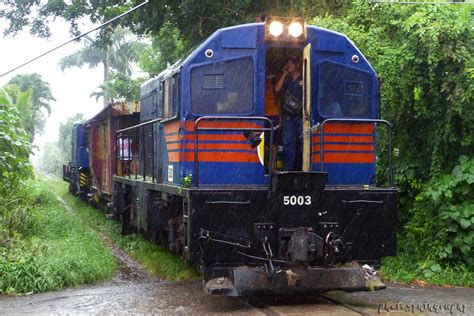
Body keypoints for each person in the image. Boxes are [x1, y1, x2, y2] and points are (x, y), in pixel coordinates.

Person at [274, 56, 303, 171]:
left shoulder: (305, 76)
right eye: (288, 63)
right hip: (288, 116)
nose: (289, 65)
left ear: (298, 65)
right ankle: (288, 170)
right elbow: (277, 89)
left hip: (302, 116)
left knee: (303, 143)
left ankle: (304, 168)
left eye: (292, 63)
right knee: (288, 144)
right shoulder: (287, 78)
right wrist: (284, 74)